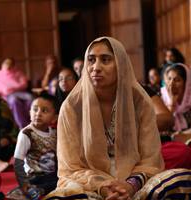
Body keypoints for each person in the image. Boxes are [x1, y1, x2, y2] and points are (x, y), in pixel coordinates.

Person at [46, 37, 164, 200]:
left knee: (179, 180)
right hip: (89, 182)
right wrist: (103, 187)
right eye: (91, 60)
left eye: (106, 60)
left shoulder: (140, 101)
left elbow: (151, 160)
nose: (96, 68)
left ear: (121, 64)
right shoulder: (72, 106)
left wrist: (131, 185)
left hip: (134, 178)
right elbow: (70, 168)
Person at [12, 93, 58, 199]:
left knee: (65, 178)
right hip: (33, 177)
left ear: (54, 117)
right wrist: (24, 185)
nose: (38, 113)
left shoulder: (55, 133)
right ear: (29, 112)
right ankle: (35, 190)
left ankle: (41, 190)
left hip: (51, 176)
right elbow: (18, 162)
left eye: (44, 111)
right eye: (35, 109)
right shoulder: (27, 133)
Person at [0, 58, 34, 129]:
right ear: (2, 64)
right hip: (5, 95)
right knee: (15, 101)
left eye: (10, 63)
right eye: (6, 63)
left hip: (19, 93)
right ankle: (23, 126)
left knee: (31, 98)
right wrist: (5, 90)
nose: (7, 65)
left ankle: (29, 120)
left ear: (13, 65)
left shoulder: (18, 73)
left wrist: (12, 88)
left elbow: (24, 84)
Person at [161, 63, 191, 132]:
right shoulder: (160, 99)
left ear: (186, 83)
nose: (171, 84)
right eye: (169, 79)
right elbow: (162, 127)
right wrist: (172, 103)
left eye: (177, 80)